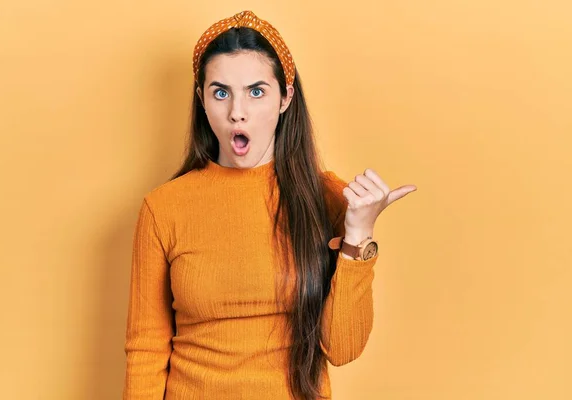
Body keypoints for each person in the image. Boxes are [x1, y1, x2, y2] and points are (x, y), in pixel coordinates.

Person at [123, 10, 417, 400]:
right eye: (221, 92)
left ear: (285, 98)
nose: (237, 112)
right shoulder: (164, 208)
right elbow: (146, 351)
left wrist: (358, 235)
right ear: (201, 99)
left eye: (256, 91)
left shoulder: (327, 198)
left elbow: (343, 349)